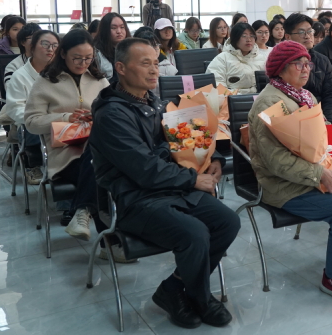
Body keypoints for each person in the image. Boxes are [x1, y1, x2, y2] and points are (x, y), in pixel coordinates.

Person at [90, 38, 238, 328]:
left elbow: (182, 137)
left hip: (170, 189)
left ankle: (173, 288)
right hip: (134, 199)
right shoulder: (111, 114)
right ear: (120, 68)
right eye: (145, 63)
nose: (154, 70)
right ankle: (200, 298)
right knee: (194, 233)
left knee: (227, 221)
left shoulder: (153, 102)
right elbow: (145, 169)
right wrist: (193, 178)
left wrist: (213, 158)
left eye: (156, 63)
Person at [249, 41, 332, 302]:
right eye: (297, 64)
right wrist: (319, 174)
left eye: (307, 63)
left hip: (311, 175)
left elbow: (322, 143)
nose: (306, 68)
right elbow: (276, 161)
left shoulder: (303, 96)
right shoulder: (270, 103)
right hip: (284, 186)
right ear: (279, 69)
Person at [24, 30, 110, 242]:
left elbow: (112, 113)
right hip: (64, 154)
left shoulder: (99, 80)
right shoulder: (46, 81)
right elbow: (31, 122)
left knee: (102, 164)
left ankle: (82, 213)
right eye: (77, 58)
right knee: (102, 171)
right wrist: (65, 117)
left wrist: (96, 116)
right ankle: (110, 242)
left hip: (96, 148)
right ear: (63, 54)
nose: (83, 64)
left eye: (88, 58)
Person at [1, 30, 60, 185]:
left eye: (55, 45)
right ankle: (33, 166)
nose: (50, 49)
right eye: (45, 44)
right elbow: (15, 108)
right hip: (30, 123)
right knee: (33, 125)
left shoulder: (61, 73)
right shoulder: (19, 75)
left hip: (59, 120)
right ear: (32, 48)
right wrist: (39, 118)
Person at [283, 13, 332, 124]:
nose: (307, 36)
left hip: (322, 117)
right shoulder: (282, 63)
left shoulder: (323, 61)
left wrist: (331, 122)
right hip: (293, 120)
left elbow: (331, 94)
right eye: (301, 32)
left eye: (310, 31)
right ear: (288, 37)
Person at [205, 22, 263, 94]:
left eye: (252, 36)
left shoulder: (262, 59)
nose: (249, 39)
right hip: (232, 98)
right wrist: (236, 97)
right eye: (244, 36)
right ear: (235, 38)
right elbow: (217, 87)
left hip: (259, 98)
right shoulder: (222, 59)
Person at [0, 16, 25, 108]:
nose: (19, 32)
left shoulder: (32, 49)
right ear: (8, 32)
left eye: (22, 29)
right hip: (5, 97)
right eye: (15, 29)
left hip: (30, 94)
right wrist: (12, 93)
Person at [3, 23, 41, 91]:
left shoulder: (49, 62)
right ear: (23, 42)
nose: (37, 42)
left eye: (39, 38)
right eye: (32, 38)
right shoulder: (13, 66)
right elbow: (11, 90)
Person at [93, 12, 131, 81]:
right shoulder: (97, 52)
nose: (119, 31)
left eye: (122, 27)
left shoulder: (131, 49)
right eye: (114, 28)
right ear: (104, 30)